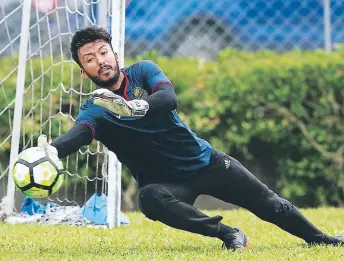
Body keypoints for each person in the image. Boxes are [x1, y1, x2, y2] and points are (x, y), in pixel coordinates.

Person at [44, 25, 343, 250]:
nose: (100, 60)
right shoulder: (96, 107)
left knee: (270, 204)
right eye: (90, 58)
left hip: (205, 162)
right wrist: (50, 152)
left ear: (115, 54)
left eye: (103, 52)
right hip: (166, 185)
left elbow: (168, 98)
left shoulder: (143, 71)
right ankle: (228, 234)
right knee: (149, 199)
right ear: (84, 71)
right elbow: (79, 134)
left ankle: (323, 239)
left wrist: (137, 106)